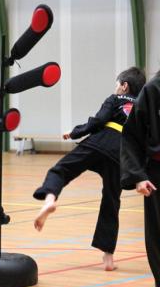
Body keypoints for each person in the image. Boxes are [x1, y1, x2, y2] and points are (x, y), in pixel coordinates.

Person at [32, 67, 146, 271]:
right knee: (111, 202)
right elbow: (142, 139)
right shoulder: (141, 107)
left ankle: (49, 201)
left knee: (61, 170)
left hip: (99, 143)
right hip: (121, 155)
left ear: (124, 86)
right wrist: (138, 173)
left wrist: (75, 132)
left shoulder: (115, 99)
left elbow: (99, 121)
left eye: (117, 84)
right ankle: (108, 258)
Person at [120, 69, 160, 287]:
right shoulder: (154, 88)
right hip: (157, 174)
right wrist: (138, 176)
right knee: (158, 239)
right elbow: (132, 136)